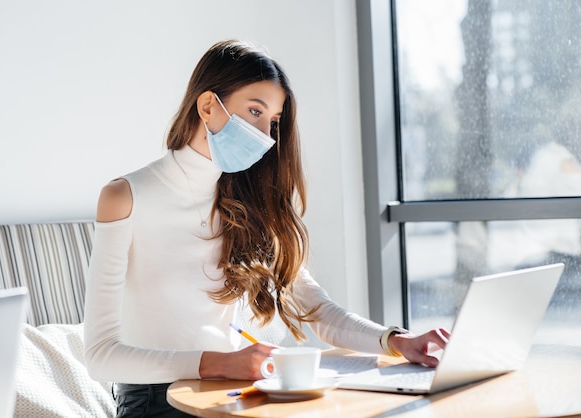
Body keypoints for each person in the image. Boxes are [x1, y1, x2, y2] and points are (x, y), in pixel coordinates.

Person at [84, 39, 450, 418]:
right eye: (255, 111)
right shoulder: (125, 197)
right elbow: (101, 356)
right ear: (208, 106)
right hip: (156, 402)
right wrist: (219, 363)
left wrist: (396, 341)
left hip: (234, 392)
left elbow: (317, 310)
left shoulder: (247, 201)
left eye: (272, 121)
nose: (264, 134)